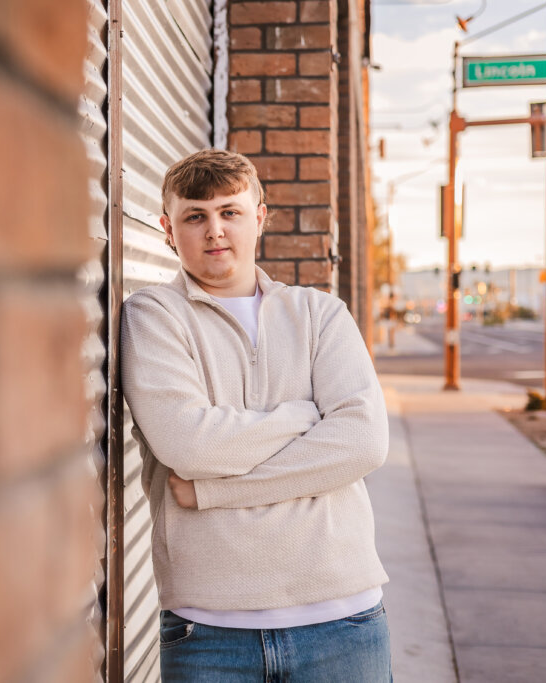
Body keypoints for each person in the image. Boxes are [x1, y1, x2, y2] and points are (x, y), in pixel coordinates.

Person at [120, 148, 391, 681]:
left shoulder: (321, 314)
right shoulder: (153, 317)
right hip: (209, 633)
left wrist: (212, 491)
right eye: (195, 216)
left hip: (343, 619)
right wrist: (304, 415)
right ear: (168, 231)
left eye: (230, 212)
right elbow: (188, 446)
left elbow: (364, 443)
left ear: (260, 216)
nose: (214, 230)